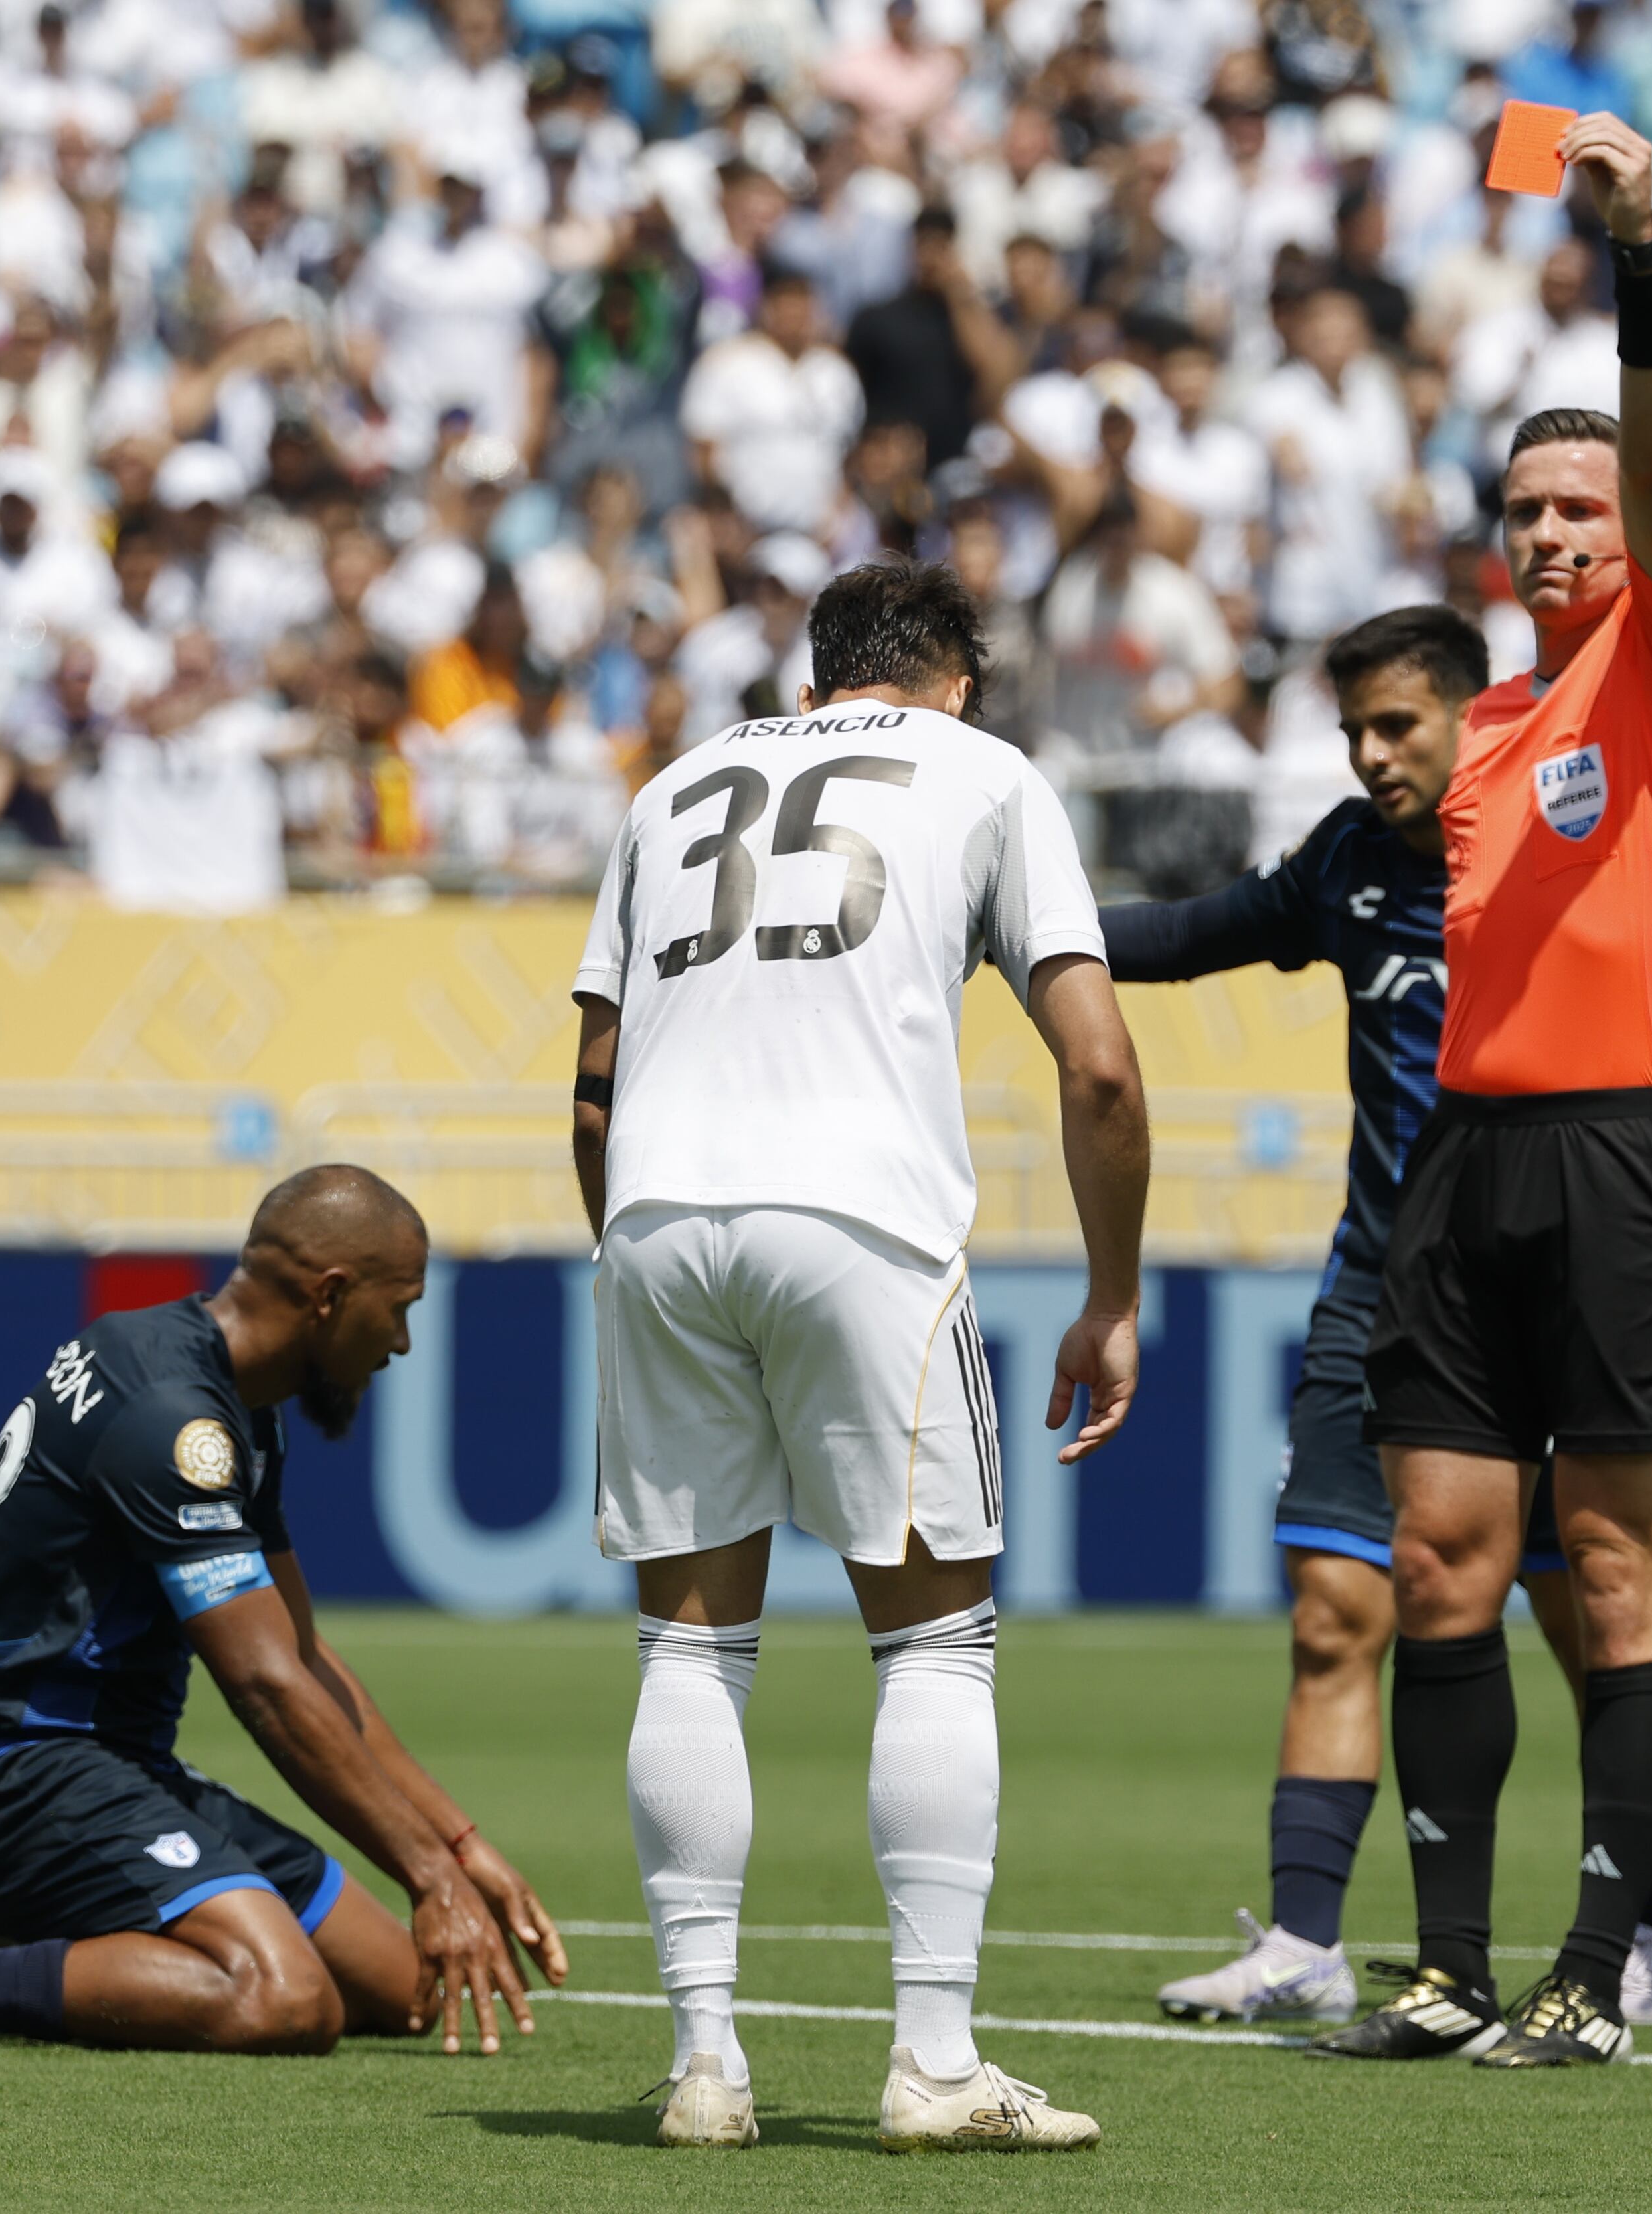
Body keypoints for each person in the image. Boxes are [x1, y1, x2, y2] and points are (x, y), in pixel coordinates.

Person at [1110, 605, 1652, 2031]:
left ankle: (1639, 1926)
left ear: (1472, 718)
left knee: (1583, 1611)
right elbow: (1189, 931)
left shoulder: (1548, 824)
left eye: (1395, 724)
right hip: (1381, 1281)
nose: (1370, 755)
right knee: (1337, 1609)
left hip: (1542, 1274)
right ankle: (1306, 1938)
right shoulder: (1345, 861)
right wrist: (1013, 929)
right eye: (1352, 730)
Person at [568, 556, 1147, 2152]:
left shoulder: (669, 786)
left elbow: (594, 1085)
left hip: (657, 1215)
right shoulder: (983, 770)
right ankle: (934, 2064)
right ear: (957, 679)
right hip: (862, 1220)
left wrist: (631, 1253)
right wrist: (1111, 1291)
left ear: (814, 676)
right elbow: (1098, 1068)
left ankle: (703, 2064)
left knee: (688, 1648)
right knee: (935, 1642)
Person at [1327, 113, 1652, 2070]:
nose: (1554, 532)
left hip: (1615, 1155)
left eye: (1577, 506)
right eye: (1527, 511)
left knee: (1615, 1567)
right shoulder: (1481, 724)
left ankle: (1596, 1967)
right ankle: (1448, 1967)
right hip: (1463, 1160)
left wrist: (1638, 251)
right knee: (1435, 1560)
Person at [0, 1167, 568, 2059]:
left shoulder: (221, 1393)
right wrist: (425, 1875)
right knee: (281, 1998)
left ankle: (35, 1934)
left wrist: (457, 1847)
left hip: (111, 1768)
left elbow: (301, 1655)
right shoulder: (173, 1419)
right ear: (330, 1294)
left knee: (410, 1989)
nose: (404, 1341)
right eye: (399, 1308)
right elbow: (265, 1685)